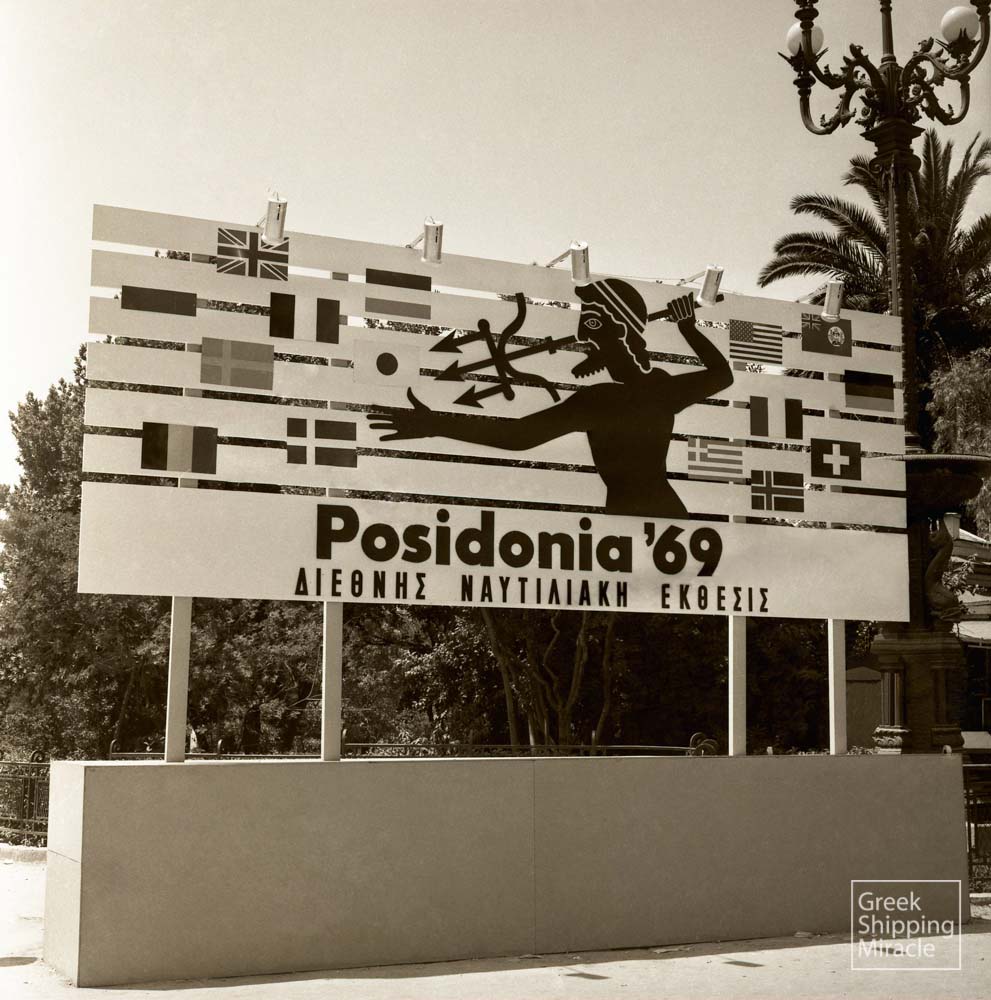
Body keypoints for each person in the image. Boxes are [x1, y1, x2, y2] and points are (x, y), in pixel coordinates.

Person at [368, 279, 733, 518]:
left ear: (620, 330)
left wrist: (438, 425)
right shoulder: (659, 388)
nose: (580, 337)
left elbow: (519, 437)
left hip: (632, 521)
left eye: (591, 325)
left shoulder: (602, 400)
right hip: (662, 518)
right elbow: (721, 373)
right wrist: (689, 331)